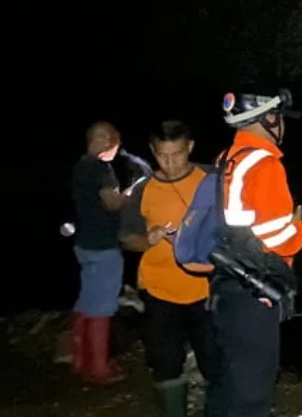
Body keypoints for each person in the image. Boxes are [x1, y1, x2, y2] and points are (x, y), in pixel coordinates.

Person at [208, 89, 302, 417]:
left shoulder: (226, 158)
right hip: (255, 289)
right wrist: (301, 225)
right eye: (280, 118)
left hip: (227, 282)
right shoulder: (264, 164)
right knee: (251, 393)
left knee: (228, 383)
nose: (283, 125)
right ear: (269, 117)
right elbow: (279, 238)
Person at [120, 121, 220, 417]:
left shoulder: (212, 180)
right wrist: (148, 240)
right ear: (153, 151)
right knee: (165, 362)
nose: (170, 163)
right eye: (163, 156)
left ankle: (218, 409)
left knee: (214, 359)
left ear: (190, 147)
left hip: (207, 289)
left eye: (177, 154)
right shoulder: (142, 190)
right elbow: (126, 238)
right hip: (159, 290)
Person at [70, 121, 129, 384]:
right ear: (105, 142)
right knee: (103, 307)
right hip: (103, 246)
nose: (114, 145)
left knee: (87, 301)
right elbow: (112, 203)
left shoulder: (81, 166)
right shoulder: (101, 168)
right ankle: (99, 368)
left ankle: (80, 359)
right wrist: (131, 193)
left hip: (84, 244)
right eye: (112, 140)